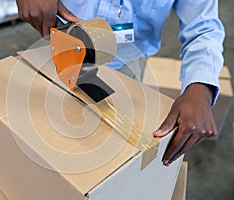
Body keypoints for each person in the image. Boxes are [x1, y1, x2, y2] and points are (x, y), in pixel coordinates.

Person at [16, 0, 225, 166]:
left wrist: (201, 87)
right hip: (58, 46)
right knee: (42, 143)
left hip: (128, 63)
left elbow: (203, 27)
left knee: (107, 152)